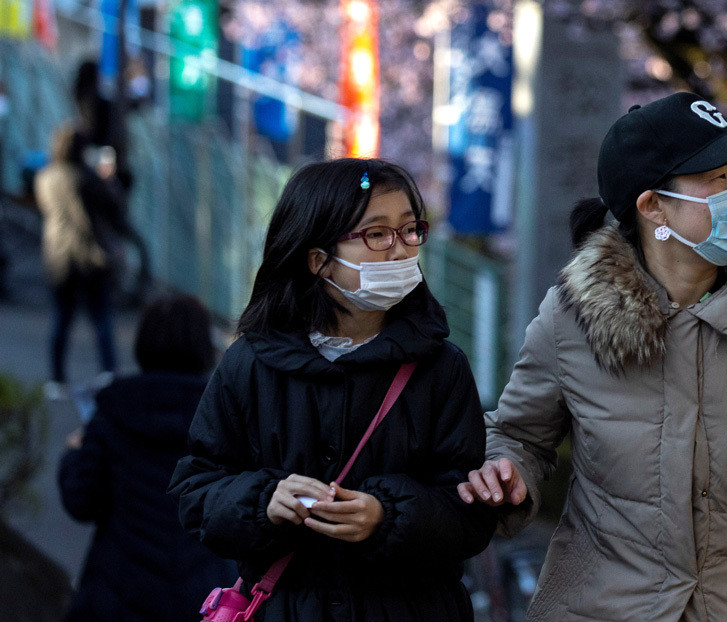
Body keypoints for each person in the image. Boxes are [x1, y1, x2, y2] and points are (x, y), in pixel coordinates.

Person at [458, 92, 727, 620]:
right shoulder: (573, 317)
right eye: (717, 179)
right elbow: (519, 435)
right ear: (653, 207)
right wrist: (504, 472)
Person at [168, 158, 497, 621]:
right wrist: (265, 502)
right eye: (377, 234)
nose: (401, 250)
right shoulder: (252, 363)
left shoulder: (442, 369)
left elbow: (471, 514)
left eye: (409, 230)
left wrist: (387, 517)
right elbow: (196, 489)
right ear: (319, 260)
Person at [58, 294, 237, 621]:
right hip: (205, 595)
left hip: (117, 592)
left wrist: (73, 454)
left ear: (144, 343)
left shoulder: (113, 410)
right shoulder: (226, 416)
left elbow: (80, 500)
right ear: (203, 348)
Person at [34, 124, 125, 395]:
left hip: (58, 254)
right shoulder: (87, 178)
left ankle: (57, 378)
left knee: (62, 318)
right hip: (90, 256)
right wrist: (109, 180)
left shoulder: (46, 176)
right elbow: (114, 207)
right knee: (101, 318)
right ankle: (109, 373)